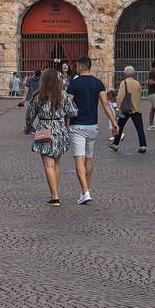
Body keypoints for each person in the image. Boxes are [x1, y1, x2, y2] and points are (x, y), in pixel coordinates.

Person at [64, 56, 115, 205]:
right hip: (93, 125)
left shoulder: (74, 83)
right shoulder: (98, 83)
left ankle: (85, 192)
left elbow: (68, 104)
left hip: (78, 125)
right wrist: (114, 122)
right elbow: (105, 104)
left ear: (80, 66)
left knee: (79, 158)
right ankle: (86, 189)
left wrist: (66, 122)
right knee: (89, 158)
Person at [26, 64, 76, 205]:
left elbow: (30, 115)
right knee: (57, 161)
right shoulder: (62, 95)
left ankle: (54, 196)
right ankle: (55, 191)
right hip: (59, 128)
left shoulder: (38, 95)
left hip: (44, 128)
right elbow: (73, 111)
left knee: (48, 164)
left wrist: (28, 125)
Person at [109, 65, 147, 153]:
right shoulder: (137, 83)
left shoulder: (124, 83)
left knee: (120, 126)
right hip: (136, 109)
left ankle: (115, 144)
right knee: (139, 128)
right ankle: (143, 145)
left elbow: (121, 96)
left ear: (125, 74)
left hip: (125, 109)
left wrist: (117, 108)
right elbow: (139, 95)